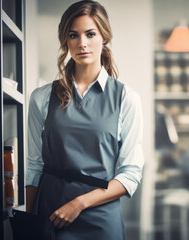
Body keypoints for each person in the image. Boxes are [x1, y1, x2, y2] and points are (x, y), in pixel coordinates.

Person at [25, 1, 144, 239]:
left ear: (104, 38)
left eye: (90, 34)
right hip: (51, 213)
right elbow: (34, 167)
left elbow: (130, 174)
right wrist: (29, 222)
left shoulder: (126, 99)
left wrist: (79, 203)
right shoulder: (41, 98)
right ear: (65, 41)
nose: (82, 43)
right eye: (73, 35)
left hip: (101, 218)